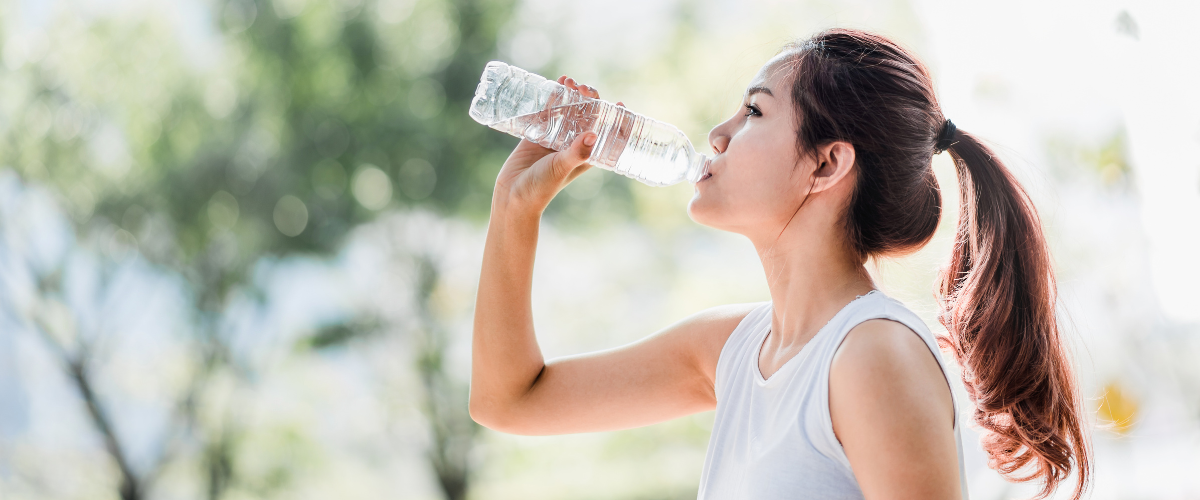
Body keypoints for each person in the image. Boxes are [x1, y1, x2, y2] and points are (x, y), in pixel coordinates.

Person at [469, 28, 1091, 500]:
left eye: (754, 112)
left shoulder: (873, 356)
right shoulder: (732, 350)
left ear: (827, 165)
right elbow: (510, 400)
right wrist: (514, 209)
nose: (717, 133)